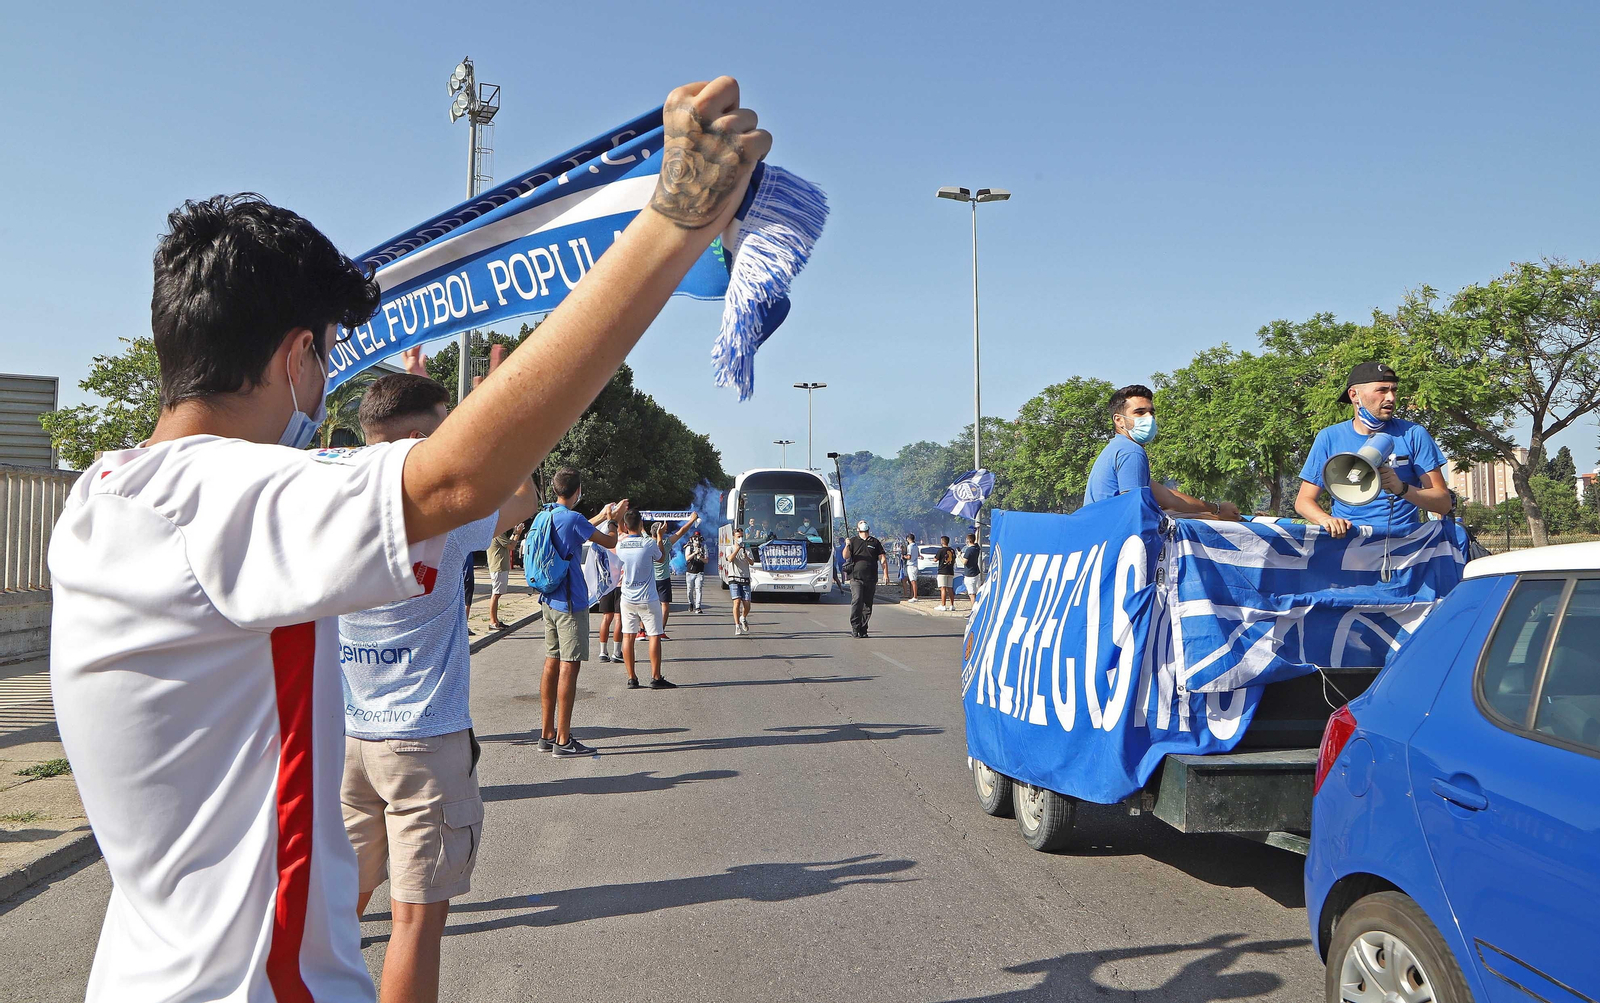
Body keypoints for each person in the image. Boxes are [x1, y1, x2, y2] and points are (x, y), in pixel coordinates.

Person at [47, 79, 767, 1003]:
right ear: (296, 357)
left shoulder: (104, 495)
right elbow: (457, 479)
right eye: (327, 357)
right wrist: (674, 222)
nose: (324, 391)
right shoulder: (222, 498)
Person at [338, 374, 538, 1003]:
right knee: (415, 925)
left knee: (337, 911)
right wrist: (491, 412)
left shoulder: (329, 493)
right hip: (424, 740)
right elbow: (524, 496)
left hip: (348, 737)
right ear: (421, 435)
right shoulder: (449, 514)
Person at [1295, 361, 1452, 537]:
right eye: (1382, 390)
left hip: (1404, 544)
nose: (1391, 397)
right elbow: (1303, 501)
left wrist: (1402, 488)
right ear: (1354, 395)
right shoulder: (1329, 437)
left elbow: (1443, 503)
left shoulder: (1414, 434)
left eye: (1394, 390)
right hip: (1350, 543)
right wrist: (1325, 519)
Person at [533, 468, 627, 758]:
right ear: (578, 491)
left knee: (551, 661)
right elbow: (610, 542)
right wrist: (614, 521)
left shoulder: (546, 515)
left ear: (555, 489)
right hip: (571, 602)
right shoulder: (573, 519)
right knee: (569, 666)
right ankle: (564, 740)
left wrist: (601, 516)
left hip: (549, 599)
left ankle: (547, 733)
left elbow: (581, 526)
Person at [1084, 384, 1242, 520]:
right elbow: (1135, 513)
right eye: (1139, 412)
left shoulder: (1117, 447)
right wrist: (1217, 518)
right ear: (1119, 420)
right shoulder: (1131, 451)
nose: (1149, 418)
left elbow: (1169, 498)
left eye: (1151, 412)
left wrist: (1215, 509)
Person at [615, 511, 678, 688]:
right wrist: (660, 536)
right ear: (641, 524)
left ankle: (632, 678)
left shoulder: (621, 545)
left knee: (628, 636)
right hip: (648, 598)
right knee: (654, 635)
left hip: (627, 597)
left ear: (626, 526)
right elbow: (661, 558)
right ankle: (656, 677)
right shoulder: (648, 543)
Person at [649, 515, 700, 638]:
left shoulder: (647, 543)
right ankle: (661, 631)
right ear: (661, 532)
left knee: (647, 605)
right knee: (665, 605)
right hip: (664, 579)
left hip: (649, 579)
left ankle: (642, 630)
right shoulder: (666, 543)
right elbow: (681, 531)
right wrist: (692, 520)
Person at [843, 520, 888, 638]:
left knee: (867, 604)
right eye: (861, 522)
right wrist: (847, 545)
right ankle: (855, 626)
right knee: (857, 599)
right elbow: (845, 556)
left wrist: (885, 574)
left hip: (871, 577)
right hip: (856, 577)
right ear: (857, 529)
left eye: (864, 522)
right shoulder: (853, 541)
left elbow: (882, 559)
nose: (863, 523)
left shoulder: (875, 542)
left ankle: (863, 629)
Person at [589, 518, 624, 663]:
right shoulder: (622, 541)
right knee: (619, 619)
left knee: (606, 618)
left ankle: (603, 652)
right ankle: (617, 652)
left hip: (605, 584)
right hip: (620, 584)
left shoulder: (602, 543)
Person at [485, 524, 519, 630]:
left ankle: (495, 620)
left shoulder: (498, 533)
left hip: (500, 567)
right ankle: (493, 621)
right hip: (498, 567)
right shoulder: (497, 533)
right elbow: (511, 546)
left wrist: (514, 533)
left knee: (497, 594)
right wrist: (518, 534)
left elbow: (509, 543)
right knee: (496, 594)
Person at [723, 527, 755, 634]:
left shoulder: (747, 548)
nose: (740, 538)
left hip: (745, 578)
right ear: (734, 537)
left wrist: (746, 557)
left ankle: (743, 617)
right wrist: (738, 548)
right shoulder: (730, 548)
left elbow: (752, 562)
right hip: (734, 578)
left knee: (747, 604)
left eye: (741, 536)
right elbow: (730, 559)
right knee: (736, 602)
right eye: (738, 536)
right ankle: (737, 626)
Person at [683, 531, 709, 613]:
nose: (697, 541)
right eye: (695, 539)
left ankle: (698, 607)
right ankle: (690, 603)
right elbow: (687, 558)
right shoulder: (689, 548)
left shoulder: (704, 548)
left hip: (699, 572)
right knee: (689, 590)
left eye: (698, 539)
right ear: (692, 539)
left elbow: (706, 561)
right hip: (690, 572)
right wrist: (694, 553)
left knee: (698, 589)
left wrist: (700, 558)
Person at [960, 532, 982, 615]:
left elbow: (964, 562)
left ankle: (974, 612)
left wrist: (959, 556)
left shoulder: (969, 550)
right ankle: (976, 610)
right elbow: (977, 540)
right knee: (975, 592)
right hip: (976, 572)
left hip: (969, 574)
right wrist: (977, 531)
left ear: (968, 540)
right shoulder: (977, 548)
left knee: (972, 594)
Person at [935, 535, 958, 611]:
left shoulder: (941, 550)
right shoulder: (952, 550)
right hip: (950, 571)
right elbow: (954, 559)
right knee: (950, 588)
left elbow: (936, 559)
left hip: (942, 571)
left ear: (942, 541)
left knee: (943, 588)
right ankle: (952, 605)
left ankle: (943, 605)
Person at [901, 532, 920, 602]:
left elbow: (909, 557)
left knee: (913, 581)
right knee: (913, 581)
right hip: (915, 564)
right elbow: (918, 555)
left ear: (908, 539)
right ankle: (913, 595)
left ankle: (915, 597)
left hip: (911, 565)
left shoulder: (910, 546)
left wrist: (904, 556)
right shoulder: (916, 546)